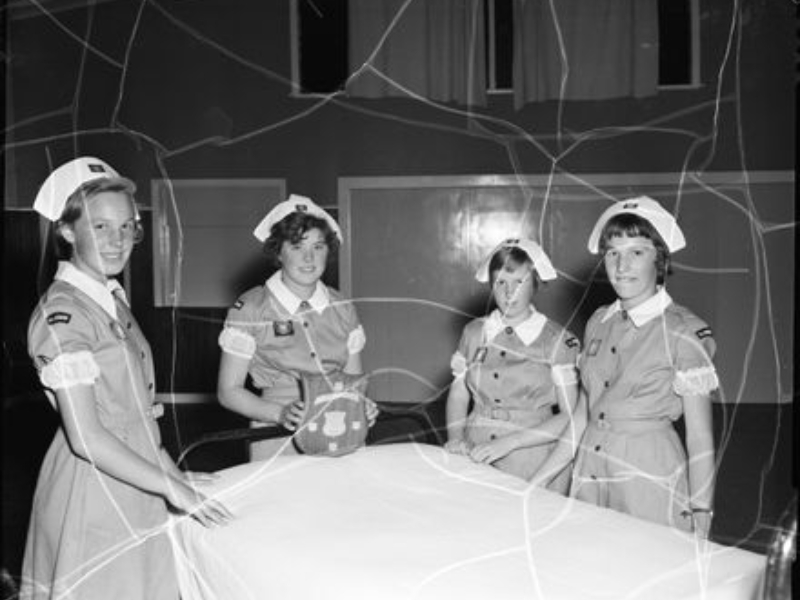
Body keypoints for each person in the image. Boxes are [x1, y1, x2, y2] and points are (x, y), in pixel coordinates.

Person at [21, 157, 232, 600]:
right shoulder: (64, 314)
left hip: (136, 477)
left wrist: (178, 478)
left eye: (126, 227)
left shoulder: (109, 299)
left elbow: (137, 420)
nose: (117, 241)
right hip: (93, 490)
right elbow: (88, 439)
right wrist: (172, 487)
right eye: (99, 227)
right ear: (66, 231)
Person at [570, 195, 718, 538]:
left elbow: (700, 436)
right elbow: (582, 415)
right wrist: (542, 480)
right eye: (613, 253)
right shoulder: (598, 321)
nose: (622, 266)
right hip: (590, 470)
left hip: (649, 477)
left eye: (636, 252)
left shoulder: (683, 331)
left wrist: (701, 511)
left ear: (660, 260)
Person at [217, 194, 377, 460]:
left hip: (339, 428)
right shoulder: (252, 308)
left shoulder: (343, 308)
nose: (308, 258)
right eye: (296, 246)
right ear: (278, 252)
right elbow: (228, 391)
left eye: (318, 247)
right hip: (276, 434)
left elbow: (351, 382)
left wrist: (361, 406)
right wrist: (280, 413)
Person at [444, 238, 581, 491]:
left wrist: (509, 443)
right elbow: (459, 392)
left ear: (536, 283)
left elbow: (570, 417)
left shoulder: (557, 340)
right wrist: (455, 438)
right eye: (501, 283)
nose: (510, 293)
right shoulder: (474, 333)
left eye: (520, 282)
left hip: (532, 458)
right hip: (475, 453)